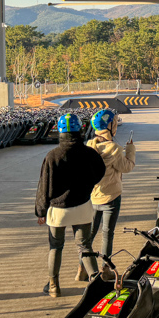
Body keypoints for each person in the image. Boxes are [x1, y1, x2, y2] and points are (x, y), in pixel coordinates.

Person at [35, 113, 105, 298]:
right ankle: (96, 283)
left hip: (58, 211)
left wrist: (41, 211)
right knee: (84, 246)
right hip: (82, 207)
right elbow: (100, 172)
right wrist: (86, 188)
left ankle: (53, 286)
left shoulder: (52, 156)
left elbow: (44, 185)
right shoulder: (89, 153)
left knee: (55, 247)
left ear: (59, 132)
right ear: (80, 130)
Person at [86, 108, 135, 278]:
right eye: (114, 123)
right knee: (107, 234)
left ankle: (82, 268)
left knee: (89, 235)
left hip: (93, 197)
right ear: (110, 127)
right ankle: (105, 269)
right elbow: (127, 167)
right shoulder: (113, 148)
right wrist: (130, 150)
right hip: (111, 198)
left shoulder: (89, 147)